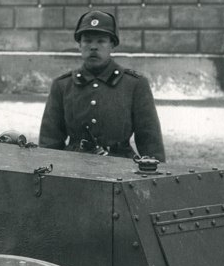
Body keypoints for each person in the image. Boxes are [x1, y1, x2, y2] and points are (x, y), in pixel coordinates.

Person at [38, 9, 165, 161]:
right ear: (79, 45)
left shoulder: (134, 85)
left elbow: (149, 139)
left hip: (120, 164)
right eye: (87, 41)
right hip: (73, 165)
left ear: (113, 45)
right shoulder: (63, 85)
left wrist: (155, 173)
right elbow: (49, 141)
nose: (93, 47)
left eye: (101, 41)